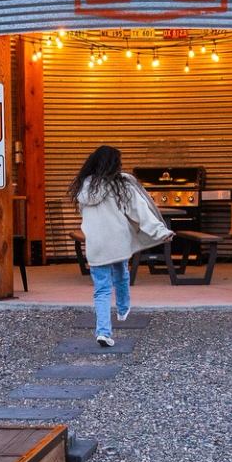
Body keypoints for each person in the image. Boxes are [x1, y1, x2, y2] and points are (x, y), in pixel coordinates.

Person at [70, 145, 172, 348]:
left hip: (96, 243)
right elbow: (140, 211)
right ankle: (124, 307)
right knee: (122, 273)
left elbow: (85, 214)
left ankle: (103, 332)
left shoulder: (84, 187)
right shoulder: (122, 185)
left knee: (101, 290)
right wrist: (161, 231)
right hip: (118, 241)